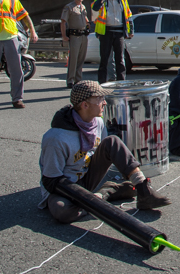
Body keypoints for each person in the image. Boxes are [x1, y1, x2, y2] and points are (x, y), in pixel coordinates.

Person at [38, 81, 172, 223]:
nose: (105, 103)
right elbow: (51, 181)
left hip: (87, 178)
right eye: (100, 99)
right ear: (85, 105)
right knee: (62, 211)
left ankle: (143, 190)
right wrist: (84, 196)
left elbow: (102, 153)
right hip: (65, 188)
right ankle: (102, 195)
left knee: (112, 141)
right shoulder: (56, 138)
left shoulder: (98, 122)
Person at [91, 0, 133, 85]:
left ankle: (121, 83)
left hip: (119, 32)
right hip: (106, 32)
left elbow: (128, 15)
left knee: (120, 59)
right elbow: (95, 8)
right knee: (104, 59)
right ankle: (102, 83)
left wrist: (130, 30)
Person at [60, 0, 91, 88]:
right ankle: (70, 80)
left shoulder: (83, 7)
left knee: (81, 59)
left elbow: (85, 19)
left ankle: (78, 80)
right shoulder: (69, 7)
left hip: (83, 35)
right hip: (74, 35)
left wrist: (88, 25)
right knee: (73, 59)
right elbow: (63, 21)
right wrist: (64, 35)